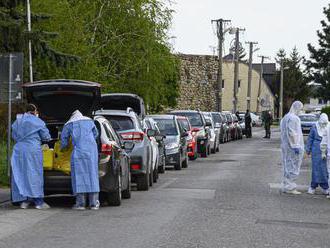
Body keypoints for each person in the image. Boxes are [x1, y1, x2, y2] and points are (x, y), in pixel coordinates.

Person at [11, 104, 51, 209]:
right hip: (32, 150)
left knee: (21, 174)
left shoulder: (17, 122)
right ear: (34, 111)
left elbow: (14, 136)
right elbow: (46, 136)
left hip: (19, 151)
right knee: (34, 174)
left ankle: (24, 201)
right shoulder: (38, 122)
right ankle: (39, 202)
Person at [61, 110, 100, 210]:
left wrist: (63, 148)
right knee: (92, 175)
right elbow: (96, 134)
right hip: (91, 151)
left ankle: (80, 204)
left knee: (79, 176)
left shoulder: (69, 124)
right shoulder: (89, 121)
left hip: (78, 152)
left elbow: (64, 140)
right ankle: (94, 203)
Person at [280, 101, 304, 194]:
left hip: (286, 146)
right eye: (300, 109)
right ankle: (290, 187)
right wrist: (296, 145)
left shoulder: (285, 117)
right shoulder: (294, 118)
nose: (300, 111)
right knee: (293, 166)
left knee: (287, 164)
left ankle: (286, 185)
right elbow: (292, 133)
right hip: (292, 147)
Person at [306, 113, 329, 195]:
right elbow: (310, 139)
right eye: (322, 123)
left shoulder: (329, 126)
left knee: (325, 169)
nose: (323, 125)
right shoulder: (314, 127)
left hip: (326, 150)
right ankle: (313, 186)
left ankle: (325, 186)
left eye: (325, 123)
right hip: (316, 149)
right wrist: (308, 150)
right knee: (315, 168)